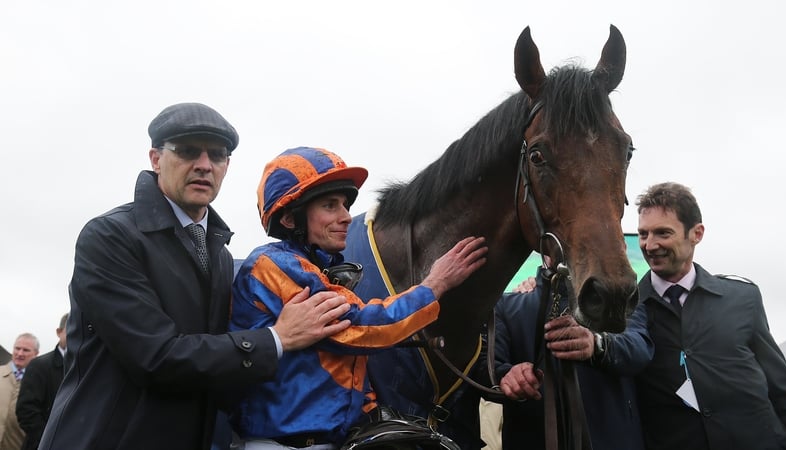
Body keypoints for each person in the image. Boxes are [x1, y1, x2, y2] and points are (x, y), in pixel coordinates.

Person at [38, 103, 353, 450]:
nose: (204, 165)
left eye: (217, 155)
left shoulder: (219, 253)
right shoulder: (109, 237)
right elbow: (156, 357)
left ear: (227, 166)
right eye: (188, 151)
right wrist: (276, 338)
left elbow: (219, 364)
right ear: (156, 159)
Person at [229, 146, 488, 449]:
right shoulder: (274, 264)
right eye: (330, 206)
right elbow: (360, 328)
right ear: (289, 219)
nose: (346, 217)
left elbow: (338, 365)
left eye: (345, 205)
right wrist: (434, 285)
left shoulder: (319, 269)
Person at [634, 181, 786, 450]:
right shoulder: (628, 311)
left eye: (663, 233)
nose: (650, 245)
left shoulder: (742, 297)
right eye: (643, 234)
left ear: (696, 233)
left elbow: (783, 389)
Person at [488, 261, 653, 450]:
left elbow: (639, 349)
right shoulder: (507, 305)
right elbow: (487, 366)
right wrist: (508, 376)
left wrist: (598, 345)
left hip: (612, 438)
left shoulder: (620, 300)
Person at [16, 313, 68, 450]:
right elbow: (26, 411)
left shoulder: (87, 367)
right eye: (71, 329)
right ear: (59, 332)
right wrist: (52, 441)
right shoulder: (39, 365)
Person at [0, 333, 39, 450]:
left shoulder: (39, 382)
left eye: (26, 350)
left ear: (36, 354)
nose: (20, 353)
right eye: (17, 348)